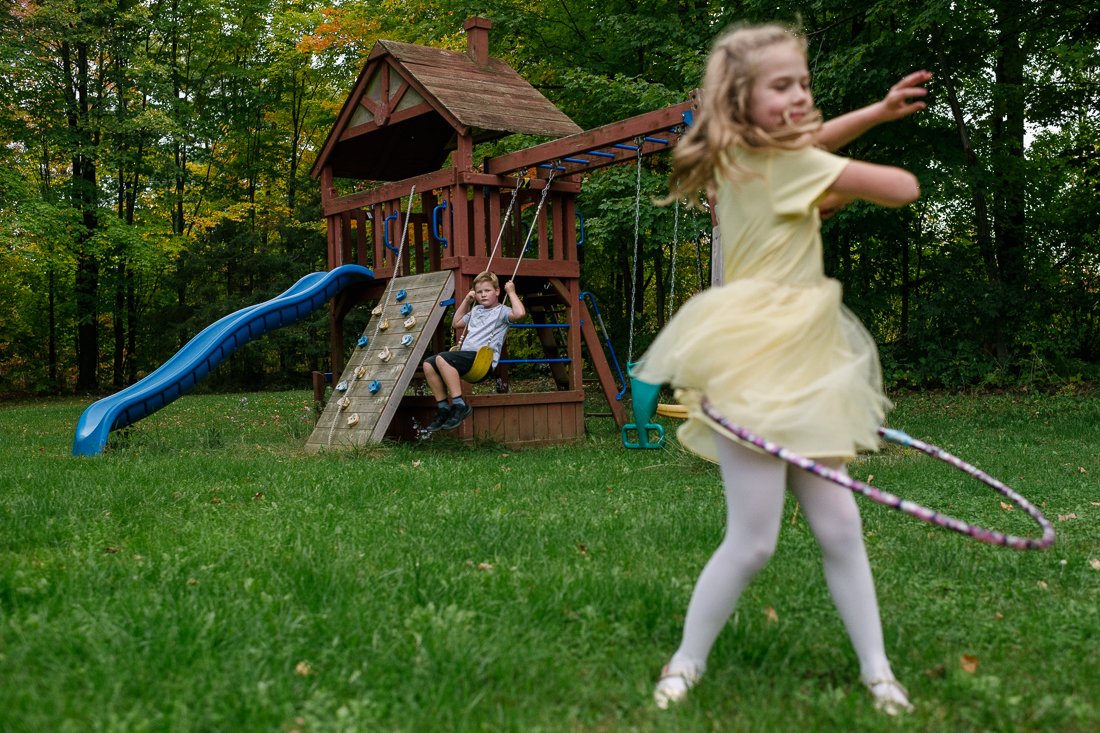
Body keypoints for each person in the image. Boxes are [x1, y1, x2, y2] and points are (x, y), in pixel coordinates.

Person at [631, 23, 931, 714]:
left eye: (804, 83)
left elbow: (810, 152)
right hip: (765, 368)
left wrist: (877, 114)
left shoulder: (739, 156)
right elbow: (904, 186)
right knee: (753, 539)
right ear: (741, 97)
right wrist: (847, 185)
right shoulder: (787, 164)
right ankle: (686, 661)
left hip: (803, 365)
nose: (800, 96)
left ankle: (878, 671)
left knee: (838, 527)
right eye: (781, 86)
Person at [421, 271, 526, 432]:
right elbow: (456, 323)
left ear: (497, 291)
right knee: (428, 364)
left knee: (443, 358)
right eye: (479, 292)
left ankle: (459, 404)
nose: (483, 295)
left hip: (482, 361)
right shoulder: (476, 311)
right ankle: (443, 409)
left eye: (487, 291)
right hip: (467, 357)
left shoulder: (502, 311)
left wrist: (511, 292)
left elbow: (519, 313)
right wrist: (467, 301)